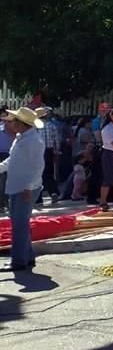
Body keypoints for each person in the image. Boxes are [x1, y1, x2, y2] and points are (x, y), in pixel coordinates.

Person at [0, 107, 45, 271]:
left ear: (22, 123)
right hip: (17, 186)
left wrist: (28, 187)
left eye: (14, 121)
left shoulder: (34, 141)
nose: (11, 123)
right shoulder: (21, 138)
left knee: (19, 225)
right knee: (21, 224)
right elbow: (11, 160)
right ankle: (27, 257)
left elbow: (37, 167)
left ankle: (18, 261)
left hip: (25, 188)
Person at [34, 107, 62, 205]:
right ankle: (53, 192)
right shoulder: (52, 126)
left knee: (37, 174)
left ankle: (38, 197)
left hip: (37, 151)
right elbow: (56, 140)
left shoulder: (34, 126)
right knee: (48, 173)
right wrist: (57, 151)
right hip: (49, 151)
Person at [0, 107, 13, 212]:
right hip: (2, 156)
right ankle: (2, 203)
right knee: (2, 181)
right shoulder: (0, 130)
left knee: (11, 180)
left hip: (13, 155)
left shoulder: (16, 131)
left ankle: (9, 202)